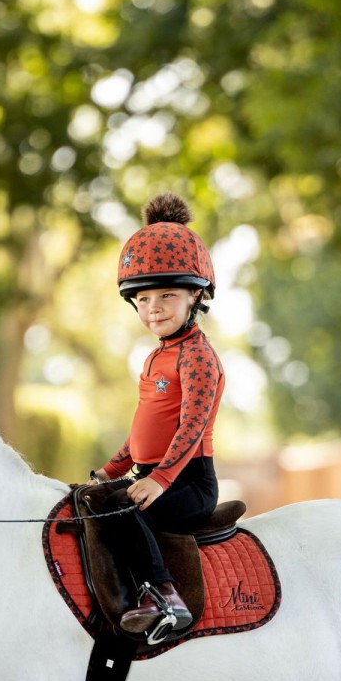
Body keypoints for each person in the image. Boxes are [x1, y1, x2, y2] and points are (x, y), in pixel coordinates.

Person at [90, 193, 225, 640]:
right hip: (153, 473)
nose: (155, 308)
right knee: (98, 502)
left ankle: (165, 598)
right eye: (145, 298)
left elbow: (192, 427)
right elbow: (140, 436)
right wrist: (108, 473)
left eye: (167, 295)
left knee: (124, 511)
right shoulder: (154, 359)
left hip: (189, 481)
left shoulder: (198, 358)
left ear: (195, 296)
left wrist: (160, 480)